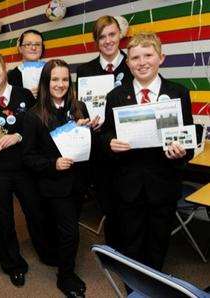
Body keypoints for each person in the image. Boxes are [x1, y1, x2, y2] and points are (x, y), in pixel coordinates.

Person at [100, 32, 194, 272]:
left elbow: (189, 140)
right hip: (127, 184)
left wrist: (182, 151)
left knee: (158, 241)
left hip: (163, 183)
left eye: (148, 55)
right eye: (135, 57)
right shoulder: (116, 96)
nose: (142, 62)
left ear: (161, 58)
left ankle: (153, 283)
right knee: (130, 240)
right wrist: (110, 143)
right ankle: (134, 287)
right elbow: (105, 134)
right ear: (128, 62)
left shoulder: (178, 93)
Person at [0, 50, 50, 287]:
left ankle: (46, 251)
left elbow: (38, 128)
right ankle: (13, 264)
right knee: (3, 219)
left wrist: (18, 136)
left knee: (35, 211)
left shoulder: (24, 94)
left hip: (25, 166)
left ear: (5, 68)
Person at [23, 59, 97, 297]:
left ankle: (61, 259)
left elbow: (86, 146)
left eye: (65, 79)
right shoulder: (34, 116)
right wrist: (53, 163)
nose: (60, 84)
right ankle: (65, 276)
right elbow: (28, 157)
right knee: (69, 232)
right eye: (55, 79)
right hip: (54, 185)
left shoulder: (79, 107)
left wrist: (89, 130)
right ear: (46, 81)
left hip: (78, 183)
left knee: (69, 227)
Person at [75, 15, 134, 250]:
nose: (108, 41)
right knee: (108, 204)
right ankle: (116, 254)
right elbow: (79, 107)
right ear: (96, 41)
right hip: (99, 147)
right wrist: (83, 119)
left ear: (120, 35)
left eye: (112, 34)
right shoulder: (86, 70)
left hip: (128, 146)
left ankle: (135, 254)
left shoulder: (134, 64)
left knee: (130, 203)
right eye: (102, 36)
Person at [7, 29, 45, 97]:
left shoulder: (52, 69)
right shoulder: (12, 75)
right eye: (28, 44)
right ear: (20, 48)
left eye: (38, 44)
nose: (33, 48)